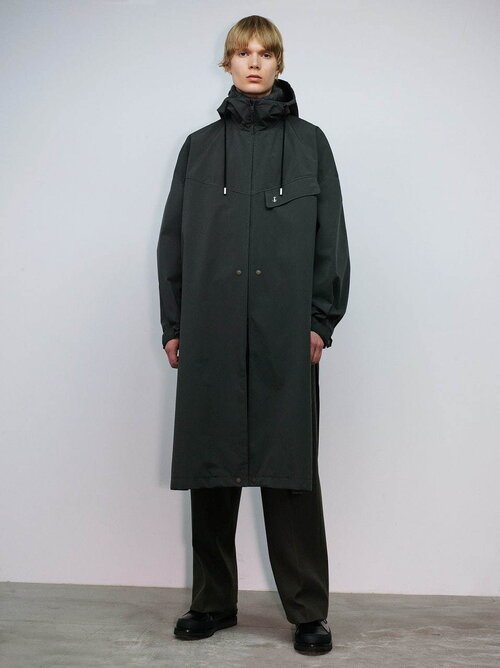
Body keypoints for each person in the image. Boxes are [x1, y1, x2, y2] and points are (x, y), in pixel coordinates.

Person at [156, 15, 350, 655]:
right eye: (243, 52)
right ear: (228, 63)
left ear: (279, 62)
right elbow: (174, 240)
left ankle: (308, 612)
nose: (255, 62)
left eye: (265, 53)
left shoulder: (311, 144)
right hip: (210, 330)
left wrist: (320, 320)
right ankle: (212, 603)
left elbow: (331, 238)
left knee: (289, 472)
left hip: (283, 334)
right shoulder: (198, 147)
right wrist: (175, 323)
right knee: (212, 470)